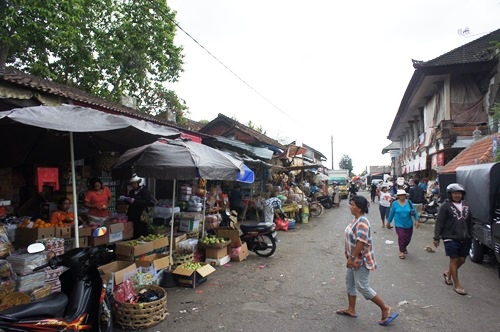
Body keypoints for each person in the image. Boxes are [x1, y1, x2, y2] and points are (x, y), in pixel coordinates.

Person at [336, 195, 399, 326]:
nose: (350, 207)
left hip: (360, 260)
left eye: (353, 204)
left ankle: (385, 308)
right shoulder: (356, 220)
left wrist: (352, 258)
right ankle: (351, 309)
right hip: (353, 259)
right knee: (350, 283)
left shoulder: (362, 222)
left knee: (362, 286)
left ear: (359, 208)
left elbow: (361, 242)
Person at [433, 183, 472, 296]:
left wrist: (470, 235)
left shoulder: (466, 205)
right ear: (450, 194)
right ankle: (457, 285)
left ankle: (448, 273)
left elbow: (470, 221)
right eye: (455, 193)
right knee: (454, 260)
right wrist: (436, 237)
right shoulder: (445, 206)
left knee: (462, 260)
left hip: (465, 238)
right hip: (450, 237)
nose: (457, 195)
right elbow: (439, 222)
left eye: (459, 193)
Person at [387, 189, 420, 259]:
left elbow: (414, 211)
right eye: (401, 196)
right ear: (398, 196)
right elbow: (391, 213)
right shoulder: (395, 204)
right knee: (401, 236)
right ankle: (401, 252)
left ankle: (404, 247)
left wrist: (417, 220)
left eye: (403, 195)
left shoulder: (409, 203)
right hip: (399, 224)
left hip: (408, 223)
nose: (402, 197)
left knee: (408, 238)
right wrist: (388, 222)